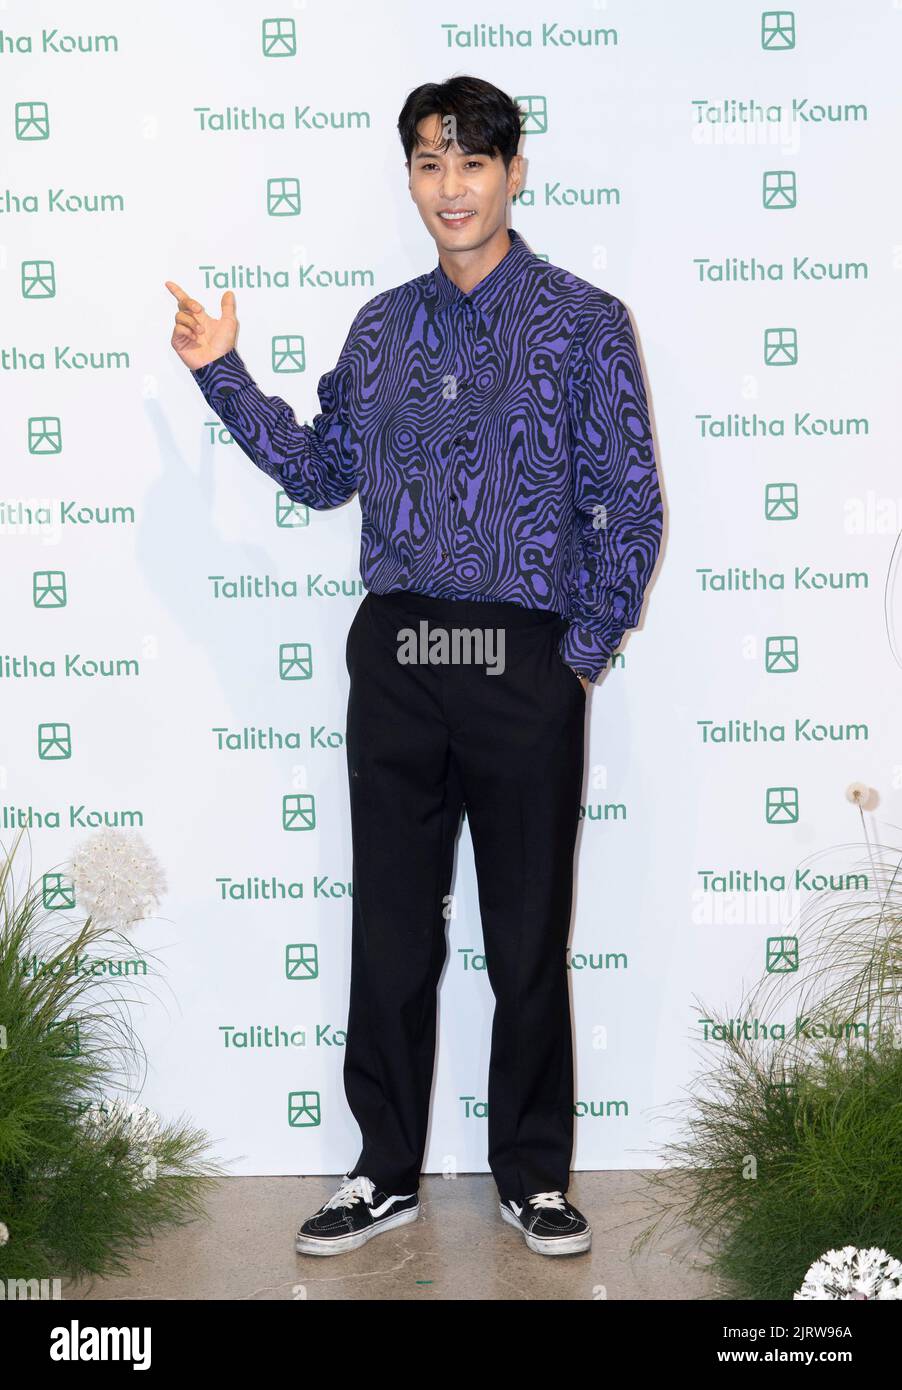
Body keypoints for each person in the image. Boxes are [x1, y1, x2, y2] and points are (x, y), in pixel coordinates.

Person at [166, 74, 663, 1260]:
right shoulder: (380, 327)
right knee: (391, 930)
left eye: (473, 164)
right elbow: (321, 469)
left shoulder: (584, 321)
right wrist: (223, 374)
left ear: (513, 174)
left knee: (527, 931)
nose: (451, 188)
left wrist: (574, 657)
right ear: (409, 179)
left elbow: (628, 504)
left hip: (520, 658)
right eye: (430, 166)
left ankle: (531, 1175)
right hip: (395, 653)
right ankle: (380, 1167)